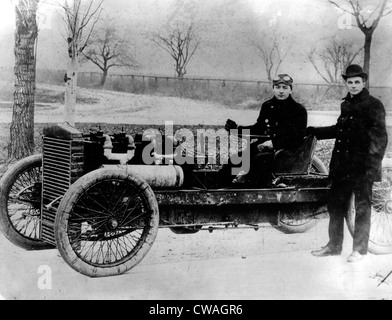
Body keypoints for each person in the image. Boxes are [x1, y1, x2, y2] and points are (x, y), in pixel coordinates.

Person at [309, 65, 388, 263]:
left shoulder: (374, 105)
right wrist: (314, 131)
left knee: (362, 208)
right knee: (335, 205)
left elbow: (379, 140)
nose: (353, 86)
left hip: (362, 167)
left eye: (356, 82)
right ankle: (334, 246)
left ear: (364, 83)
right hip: (342, 166)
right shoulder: (347, 104)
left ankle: (359, 250)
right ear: (346, 83)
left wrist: (371, 168)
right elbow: (340, 129)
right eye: (349, 82)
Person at [223, 74, 308, 187]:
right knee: (235, 160)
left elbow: (297, 137)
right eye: (278, 87)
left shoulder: (299, 110)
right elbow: (258, 128)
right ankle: (218, 189)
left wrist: (274, 143)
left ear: (291, 90)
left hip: (286, 154)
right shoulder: (267, 106)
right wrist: (236, 130)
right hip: (264, 150)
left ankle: (252, 192)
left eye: (285, 88)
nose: (281, 91)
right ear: (273, 88)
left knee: (259, 161)